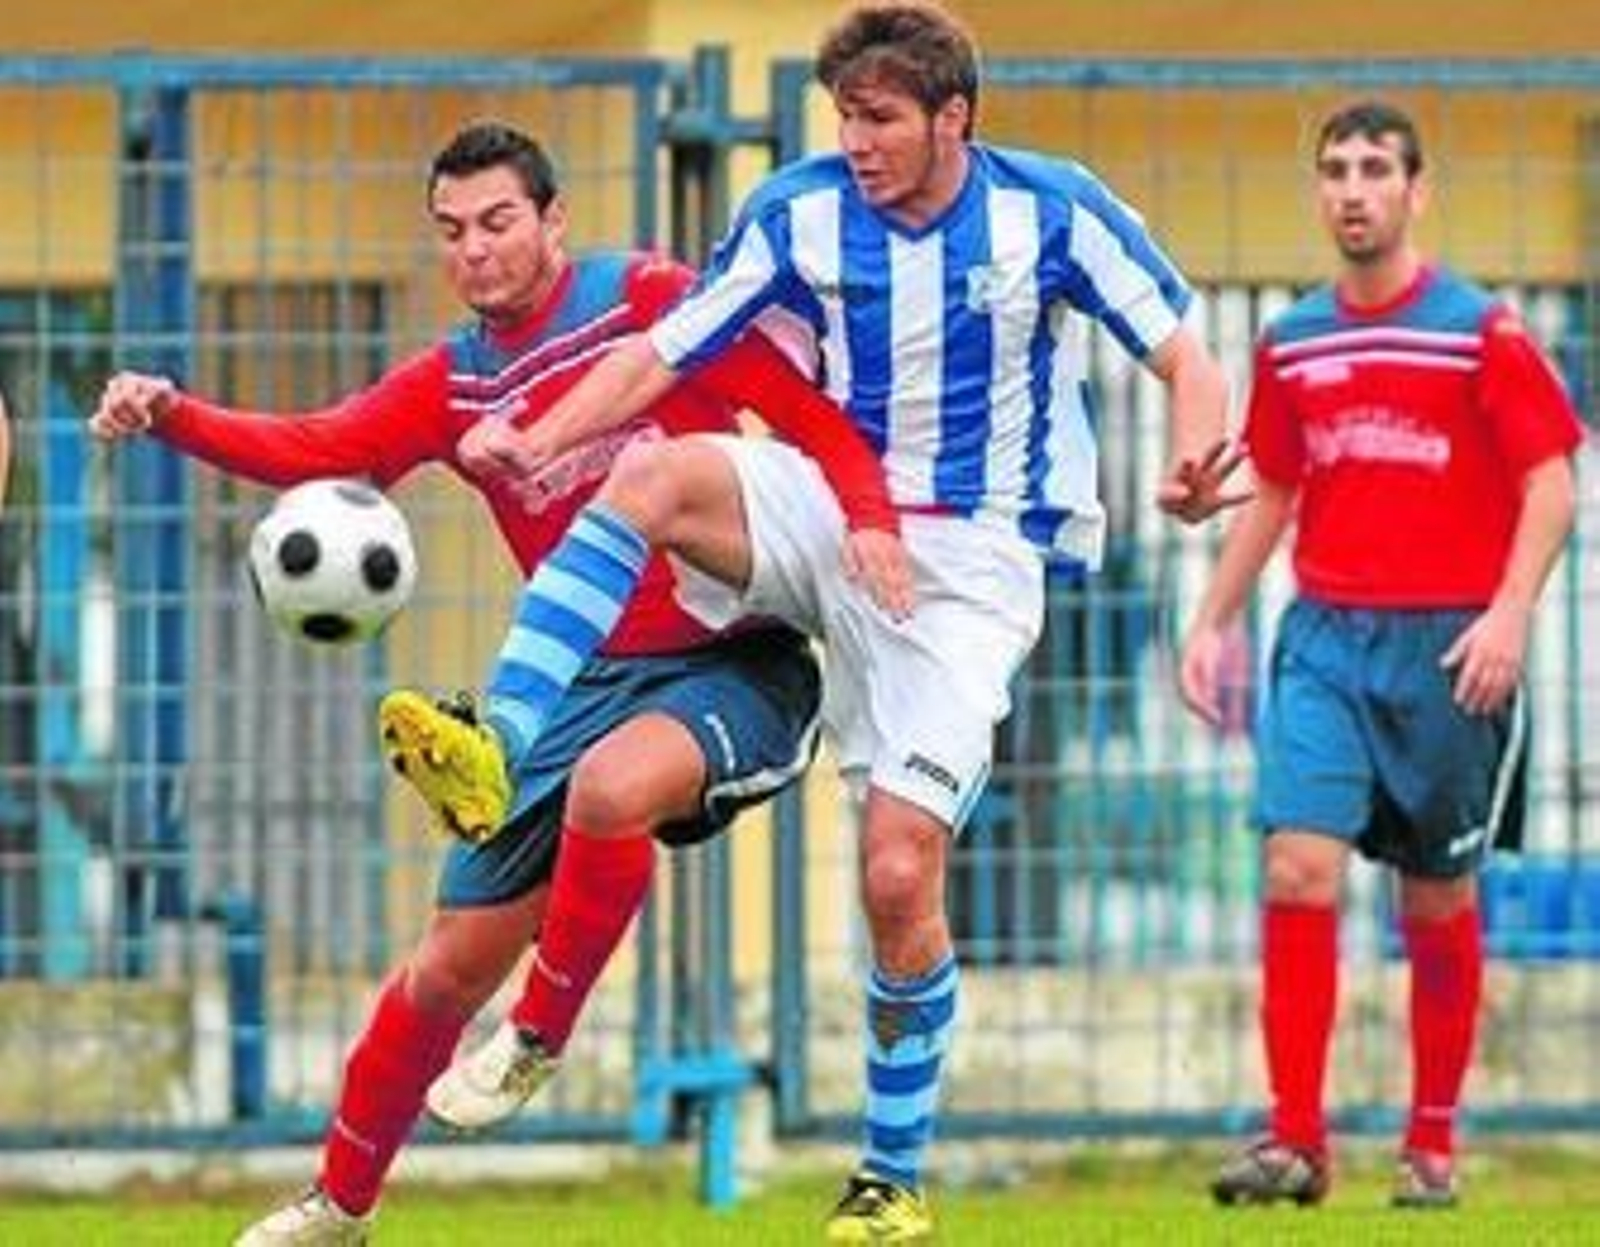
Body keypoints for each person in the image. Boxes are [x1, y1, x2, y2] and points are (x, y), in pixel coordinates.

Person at [393, 5, 1241, 1240]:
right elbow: (663, 357)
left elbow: (1185, 353)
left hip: (967, 565)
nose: (857, 140)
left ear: (956, 118)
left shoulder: (1050, 210)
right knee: (652, 472)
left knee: (899, 872)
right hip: (828, 508)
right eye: (844, 115)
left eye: (883, 118)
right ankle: (499, 732)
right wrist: (540, 432)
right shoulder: (796, 208)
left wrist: (1194, 458)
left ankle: (888, 1176)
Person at [89, 119, 903, 1246]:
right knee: (438, 970)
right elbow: (316, 447)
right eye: (451, 232)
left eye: (497, 221)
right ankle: (338, 1205)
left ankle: (539, 1028)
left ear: (553, 219)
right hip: (580, 681)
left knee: (612, 790)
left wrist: (866, 516)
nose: (473, 249)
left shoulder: (649, 298)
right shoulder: (457, 382)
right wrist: (172, 412)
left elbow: (802, 406)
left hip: (735, 659)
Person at [1179, 100, 1584, 1211]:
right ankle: (1296, 1139)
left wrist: (1507, 615)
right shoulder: (1292, 340)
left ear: (1415, 189)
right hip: (1322, 640)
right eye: (1334, 171)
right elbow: (1275, 487)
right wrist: (1212, 617)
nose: (1352, 189)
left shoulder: (1479, 330)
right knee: (1294, 864)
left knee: (1435, 900)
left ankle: (1432, 1141)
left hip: (1452, 647)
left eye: (1373, 169)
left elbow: (1552, 481)